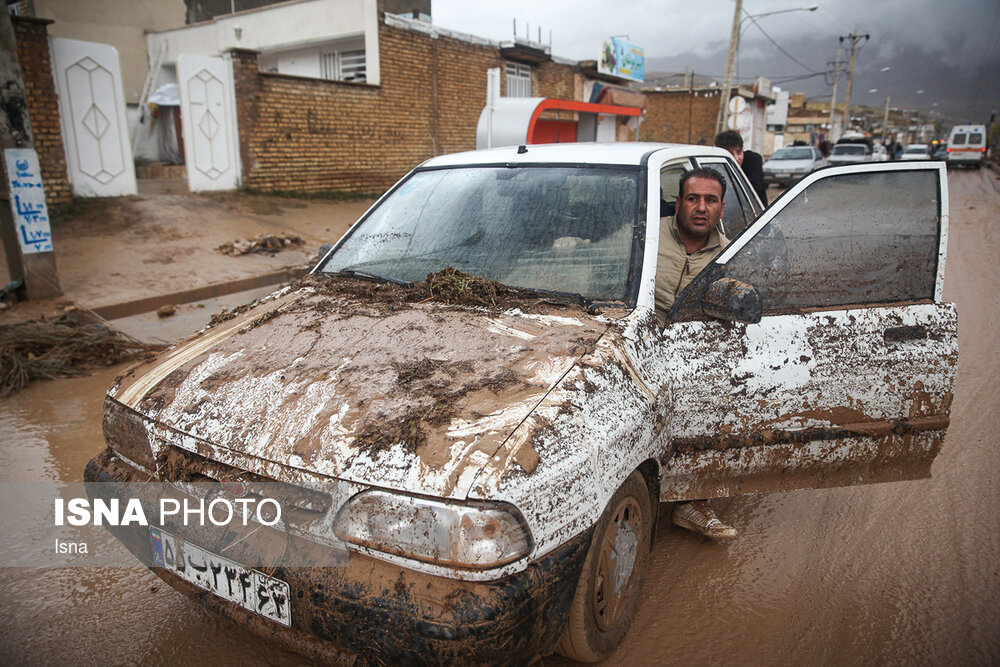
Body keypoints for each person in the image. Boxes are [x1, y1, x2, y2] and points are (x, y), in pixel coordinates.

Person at [654, 167, 738, 540]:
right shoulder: (645, 234)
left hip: (693, 355)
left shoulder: (733, 255)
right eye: (693, 198)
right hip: (636, 341)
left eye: (710, 200)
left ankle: (694, 501)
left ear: (721, 208)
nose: (700, 207)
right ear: (678, 204)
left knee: (725, 395)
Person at [715, 130, 767, 206]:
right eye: (730, 154)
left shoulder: (753, 160)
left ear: (743, 150)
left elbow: (753, 190)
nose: (736, 158)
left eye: (739, 152)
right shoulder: (717, 165)